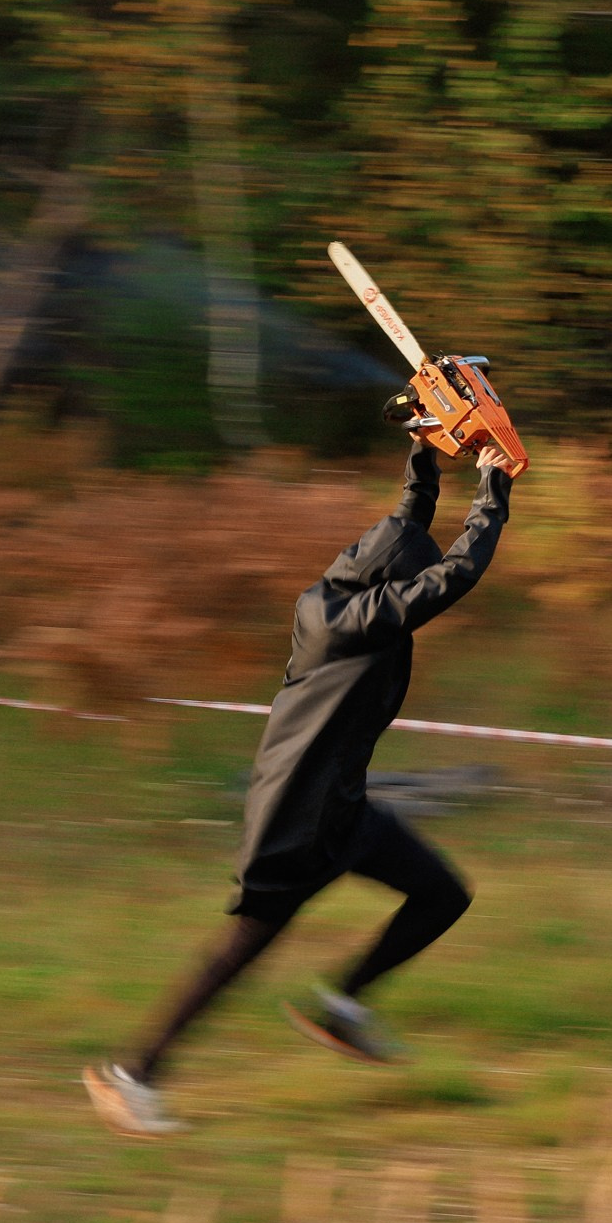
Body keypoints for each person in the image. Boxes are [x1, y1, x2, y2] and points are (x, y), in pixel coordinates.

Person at [83, 437, 515, 1138]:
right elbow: (454, 576)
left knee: (441, 893)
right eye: (408, 581)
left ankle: (341, 1010)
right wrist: (493, 488)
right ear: (389, 587)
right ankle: (131, 1076)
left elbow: (409, 521)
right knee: (243, 949)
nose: (415, 589)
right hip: (302, 817)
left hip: (340, 804)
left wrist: (426, 451)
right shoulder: (356, 623)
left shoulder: (338, 594)